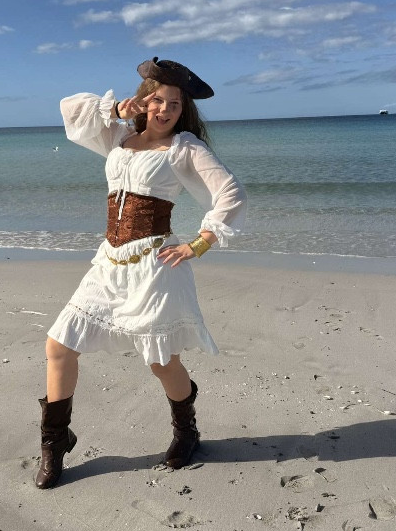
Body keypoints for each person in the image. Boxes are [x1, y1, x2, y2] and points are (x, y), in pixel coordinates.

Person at [36, 57, 247, 489]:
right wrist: (116, 110)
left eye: (174, 103)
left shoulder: (185, 147)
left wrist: (199, 243)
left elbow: (231, 193)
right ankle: (54, 443)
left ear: (183, 109)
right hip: (109, 264)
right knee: (59, 345)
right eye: (158, 100)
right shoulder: (118, 137)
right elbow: (72, 110)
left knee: (162, 362)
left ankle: (186, 430)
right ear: (145, 99)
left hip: (154, 266)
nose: (165, 109)